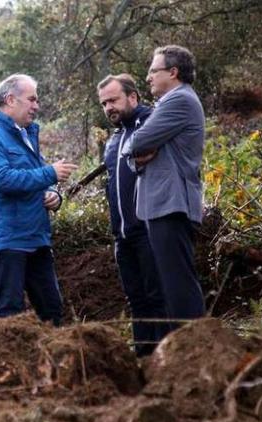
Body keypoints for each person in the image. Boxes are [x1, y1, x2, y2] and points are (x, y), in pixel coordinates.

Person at [0, 74, 77, 326]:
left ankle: (53, 364)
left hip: (36, 237)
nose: (36, 106)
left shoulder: (26, 136)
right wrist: (50, 173)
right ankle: (10, 366)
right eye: (31, 99)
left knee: (52, 309)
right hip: (7, 241)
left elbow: (37, 178)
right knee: (11, 313)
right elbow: (2, 180)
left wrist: (54, 193)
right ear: (10, 100)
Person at [121, 45, 206, 330]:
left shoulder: (178, 100)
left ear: (173, 72)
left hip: (172, 204)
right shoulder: (170, 103)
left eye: (153, 71)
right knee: (170, 284)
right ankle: (180, 352)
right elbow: (135, 156)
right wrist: (136, 155)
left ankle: (193, 348)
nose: (148, 77)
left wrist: (135, 151)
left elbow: (137, 142)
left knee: (178, 284)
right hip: (163, 205)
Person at [97, 74, 169, 357]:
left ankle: (165, 362)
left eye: (113, 100)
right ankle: (143, 359)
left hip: (149, 229)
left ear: (133, 97)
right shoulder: (114, 141)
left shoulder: (152, 124)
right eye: (104, 103)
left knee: (157, 297)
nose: (108, 108)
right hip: (122, 236)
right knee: (136, 300)